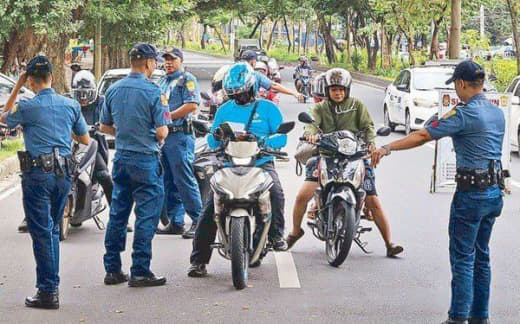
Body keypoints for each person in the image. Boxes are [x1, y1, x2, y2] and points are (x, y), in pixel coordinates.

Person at [370, 61, 505, 324]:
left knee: (463, 258)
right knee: (482, 257)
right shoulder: (495, 112)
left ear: (462, 84)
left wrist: (387, 148)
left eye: (456, 85)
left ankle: (457, 317)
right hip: (493, 194)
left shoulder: (464, 114)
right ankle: (481, 317)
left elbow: (422, 136)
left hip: (471, 196)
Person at [0, 56, 90, 309]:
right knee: (51, 231)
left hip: (38, 175)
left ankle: (48, 291)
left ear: (30, 79)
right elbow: (84, 139)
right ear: (52, 76)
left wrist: (18, 86)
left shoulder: (27, 107)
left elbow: (3, 117)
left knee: (42, 232)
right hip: (63, 174)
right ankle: (50, 287)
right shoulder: (70, 105)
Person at [286, 68, 403, 258]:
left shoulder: (357, 105)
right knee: (302, 195)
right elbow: (310, 125)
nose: (338, 93)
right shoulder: (319, 108)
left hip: (355, 156)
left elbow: (368, 127)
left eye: (341, 89)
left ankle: (389, 243)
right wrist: (311, 135)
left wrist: (372, 144)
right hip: (325, 156)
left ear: (347, 90)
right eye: (334, 90)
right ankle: (295, 231)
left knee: (372, 199)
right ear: (327, 90)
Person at [187, 63, 288, 277]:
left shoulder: (268, 108)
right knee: (208, 210)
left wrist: (266, 141)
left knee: (276, 193)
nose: (239, 98)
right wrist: (215, 138)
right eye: (235, 94)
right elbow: (213, 139)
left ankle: (277, 236)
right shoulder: (224, 110)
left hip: (260, 162)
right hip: (229, 163)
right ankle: (198, 260)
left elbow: (282, 136)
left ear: (252, 88)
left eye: (242, 93)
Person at [100, 43, 170, 287]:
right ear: (149, 63)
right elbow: (162, 131)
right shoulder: (153, 92)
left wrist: (125, 131)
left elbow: (104, 127)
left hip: (121, 159)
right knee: (146, 215)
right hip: (145, 160)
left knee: (118, 213)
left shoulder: (114, 89)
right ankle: (140, 269)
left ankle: (112, 269)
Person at [155, 47, 202, 239]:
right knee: (168, 180)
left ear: (180, 61)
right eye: (166, 59)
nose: (168, 62)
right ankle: (175, 221)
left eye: (172, 59)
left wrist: (167, 117)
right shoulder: (161, 81)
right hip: (165, 137)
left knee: (183, 179)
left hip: (180, 136)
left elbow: (192, 105)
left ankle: (198, 219)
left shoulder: (187, 80)